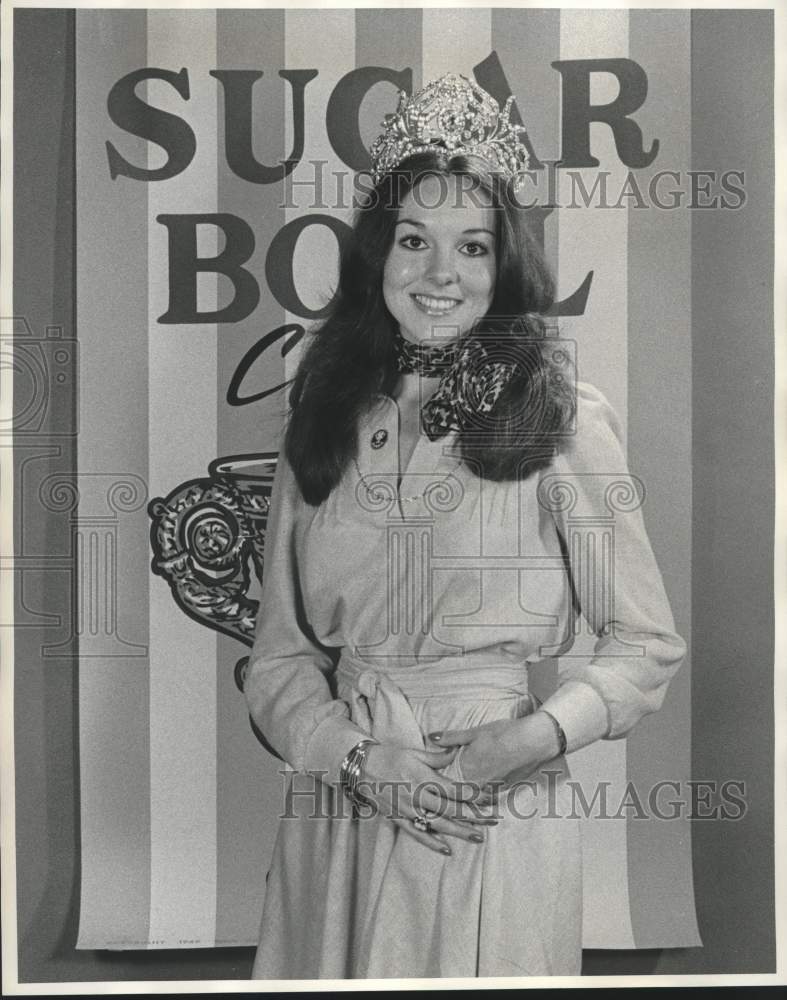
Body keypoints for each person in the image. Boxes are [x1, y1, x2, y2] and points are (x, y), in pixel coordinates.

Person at [244, 74, 686, 979]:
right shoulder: (321, 412)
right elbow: (279, 658)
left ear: (503, 263)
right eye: (414, 241)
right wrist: (356, 757)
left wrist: (529, 740)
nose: (440, 274)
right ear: (379, 258)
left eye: (472, 247)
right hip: (346, 793)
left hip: (495, 798)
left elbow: (644, 642)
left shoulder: (565, 417)